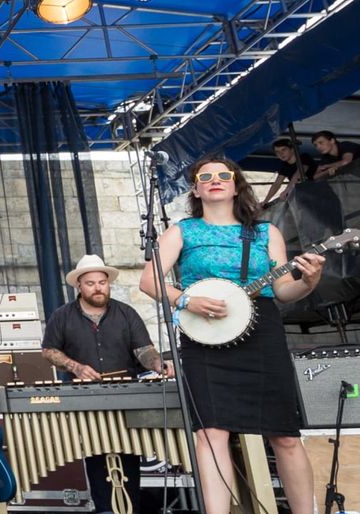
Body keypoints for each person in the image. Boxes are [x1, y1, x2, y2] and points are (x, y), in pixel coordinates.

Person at [139, 157, 324, 514]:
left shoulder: (265, 232)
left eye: (223, 175)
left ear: (237, 185)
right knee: (212, 432)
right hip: (205, 338)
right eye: (204, 176)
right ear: (195, 189)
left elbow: (284, 290)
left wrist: (310, 281)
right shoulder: (182, 231)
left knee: (285, 434)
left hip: (262, 333)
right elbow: (150, 280)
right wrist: (186, 299)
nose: (214, 180)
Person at [41, 254, 171, 514]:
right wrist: (76, 367)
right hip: (84, 398)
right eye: (91, 283)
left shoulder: (126, 313)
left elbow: (143, 350)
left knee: (129, 453)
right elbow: (49, 351)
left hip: (127, 396)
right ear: (79, 285)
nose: (98, 287)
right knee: (96, 453)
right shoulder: (62, 316)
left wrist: (159, 365)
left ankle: (130, 508)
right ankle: (104, 509)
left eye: (102, 282)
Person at [261, 138, 317, 205]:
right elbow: (277, 183)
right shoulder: (285, 166)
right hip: (305, 195)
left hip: (318, 191)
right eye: (277, 152)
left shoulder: (304, 158)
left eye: (283, 150)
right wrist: (265, 201)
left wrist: (287, 191)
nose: (281, 154)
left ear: (292, 149)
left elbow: (298, 174)